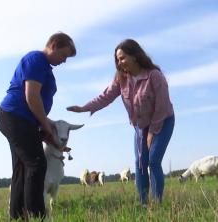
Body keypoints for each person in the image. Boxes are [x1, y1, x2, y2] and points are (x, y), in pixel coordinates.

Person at [67, 39, 174, 207]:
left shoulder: (154, 76)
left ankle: (157, 203)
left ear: (135, 56)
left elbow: (161, 106)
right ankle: (144, 204)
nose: (119, 62)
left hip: (162, 121)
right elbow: (106, 96)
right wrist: (84, 108)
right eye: (117, 59)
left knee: (153, 161)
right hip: (140, 126)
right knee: (140, 164)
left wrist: (153, 132)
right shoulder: (121, 79)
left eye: (122, 58)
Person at [0, 32, 76, 220]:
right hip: (16, 117)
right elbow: (31, 97)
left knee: (22, 168)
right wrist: (46, 127)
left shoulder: (43, 66)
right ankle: (38, 216)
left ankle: (18, 216)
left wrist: (49, 131)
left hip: (19, 119)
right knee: (37, 164)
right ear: (54, 45)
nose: (64, 61)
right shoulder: (36, 59)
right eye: (63, 55)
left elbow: (36, 106)